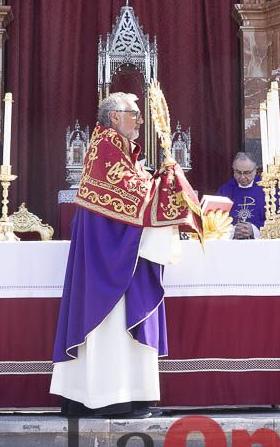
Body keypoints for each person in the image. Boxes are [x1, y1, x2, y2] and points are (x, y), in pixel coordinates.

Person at [50, 93, 200, 417]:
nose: (140, 120)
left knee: (118, 329)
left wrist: (163, 179)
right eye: (134, 114)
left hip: (120, 249)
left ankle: (123, 394)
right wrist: (168, 182)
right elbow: (135, 198)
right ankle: (112, 398)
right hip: (111, 257)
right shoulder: (106, 149)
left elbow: (139, 190)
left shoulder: (120, 151)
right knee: (111, 326)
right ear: (115, 117)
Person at [215, 152, 267, 238]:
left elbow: (276, 221)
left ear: (255, 170)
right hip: (231, 245)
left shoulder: (267, 189)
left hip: (260, 244)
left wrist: (254, 230)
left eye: (247, 173)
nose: (242, 177)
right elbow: (214, 221)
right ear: (233, 169)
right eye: (238, 172)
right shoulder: (224, 191)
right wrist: (232, 231)